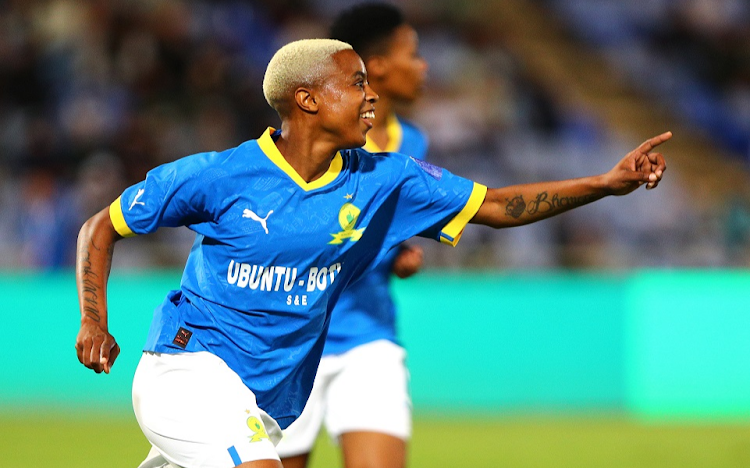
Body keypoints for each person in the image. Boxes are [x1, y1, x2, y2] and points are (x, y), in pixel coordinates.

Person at [75, 38, 669, 468]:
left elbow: (497, 205)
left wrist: (603, 183)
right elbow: (100, 228)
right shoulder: (219, 176)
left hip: (266, 397)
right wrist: (94, 320)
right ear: (306, 99)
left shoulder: (388, 179)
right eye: (356, 81)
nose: (370, 95)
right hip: (188, 370)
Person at [275, 5, 428, 468]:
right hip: (291, 340)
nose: (423, 66)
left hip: (368, 335)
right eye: (413, 54)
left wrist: (400, 252)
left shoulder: (414, 144)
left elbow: (385, 226)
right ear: (377, 66)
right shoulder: (308, 139)